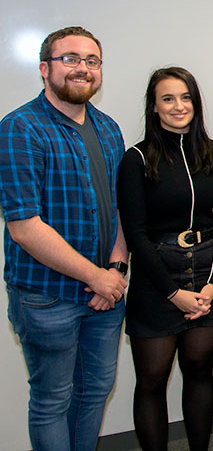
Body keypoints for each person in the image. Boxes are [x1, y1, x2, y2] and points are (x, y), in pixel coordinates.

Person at [0, 26, 128, 450]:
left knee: (94, 392)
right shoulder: (19, 129)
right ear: (44, 68)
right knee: (53, 399)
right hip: (47, 297)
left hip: (105, 295)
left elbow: (117, 208)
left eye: (92, 61)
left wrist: (115, 269)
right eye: (70, 58)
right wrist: (97, 277)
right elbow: (24, 226)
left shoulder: (109, 129)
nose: (83, 69)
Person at [117, 67, 213, 450]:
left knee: (199, 371)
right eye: (168, 98)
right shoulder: (135, 159)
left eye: (185, 97)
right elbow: (135, 235)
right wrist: (172, 293)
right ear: (154, 107)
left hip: (207, 272)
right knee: (152, 380)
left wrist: (212, 286)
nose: (178, 106)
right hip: (156, 276)